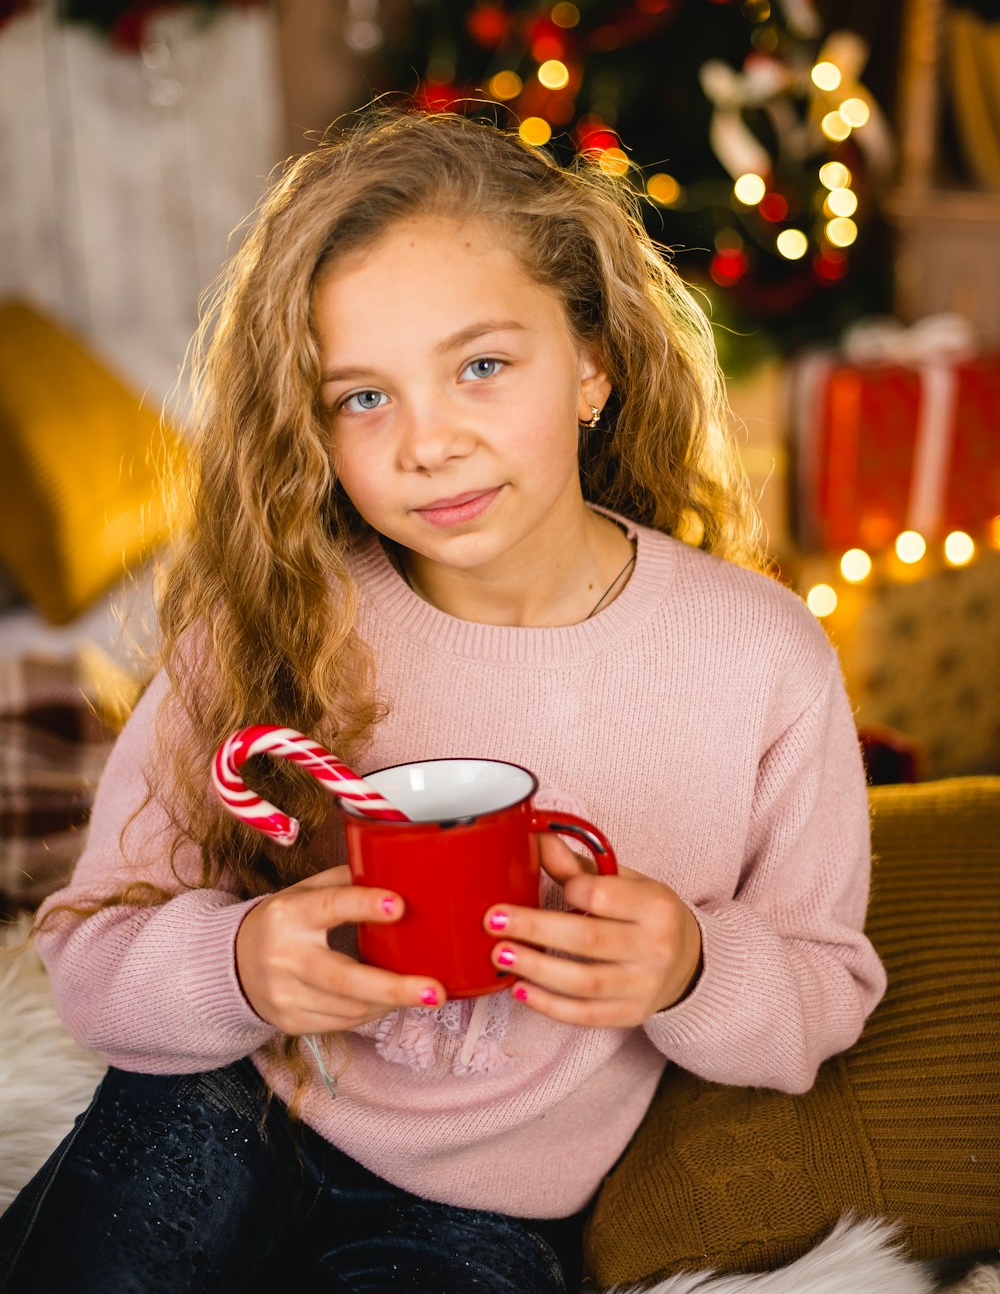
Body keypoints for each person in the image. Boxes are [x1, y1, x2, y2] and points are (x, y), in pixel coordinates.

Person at [0, 107, 886, 1294]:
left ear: (590, 363)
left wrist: (688, 969)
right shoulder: (264, 629)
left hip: (483, 1210)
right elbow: (87, 951)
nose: (427, 443)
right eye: (361, 397)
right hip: (231, 1108)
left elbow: (824, 989)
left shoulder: (758, 658)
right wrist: (243, 966)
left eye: (480, 366)